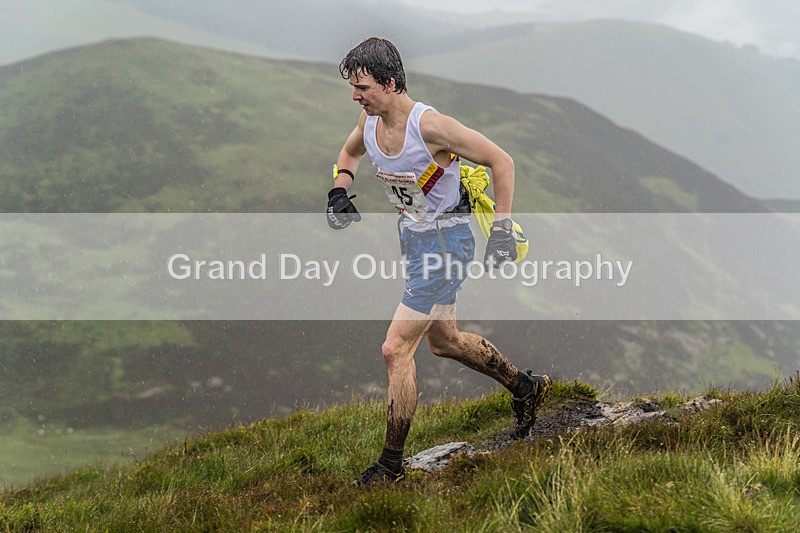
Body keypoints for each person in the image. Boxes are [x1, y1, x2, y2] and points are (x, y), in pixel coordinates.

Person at [326, 37, 551, 486]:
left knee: (395, 349)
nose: (355, 96)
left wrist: (502, 229)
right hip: (414, 240)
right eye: (353, 87)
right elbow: (349, 152)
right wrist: (338, 190)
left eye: (363, 87)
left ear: (390, 84)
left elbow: (501, 161)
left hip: (447, 244)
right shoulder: (369, 122)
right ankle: (526, 388)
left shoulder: (431, 127)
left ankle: (390, 464)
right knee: (445, 341)